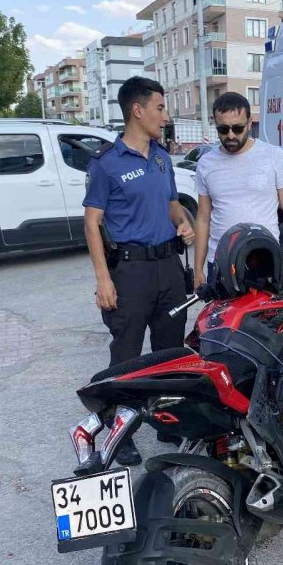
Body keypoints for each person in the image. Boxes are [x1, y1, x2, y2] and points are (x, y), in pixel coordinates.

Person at [83, 76, 196, 466]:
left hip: (168, 267)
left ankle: (168, 421)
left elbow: (171, 204)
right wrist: (103, 279)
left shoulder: (163, 157)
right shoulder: (107, 164)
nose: (164, 116)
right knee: (127, 356)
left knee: (169, 352)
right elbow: (92, 222)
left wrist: (183, 221)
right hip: (128, 273)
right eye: (160, 108)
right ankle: (122, 432)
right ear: (138, 110)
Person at [193, 92, 283, 289]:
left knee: (266, 320)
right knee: (223, 320)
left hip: (264, 260)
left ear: (250, 122)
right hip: (220, 263)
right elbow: (203, 219)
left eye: (237, 128)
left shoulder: (273, 156)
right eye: (223, 129)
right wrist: (198, 268)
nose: (231, 135)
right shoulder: (206, 163)